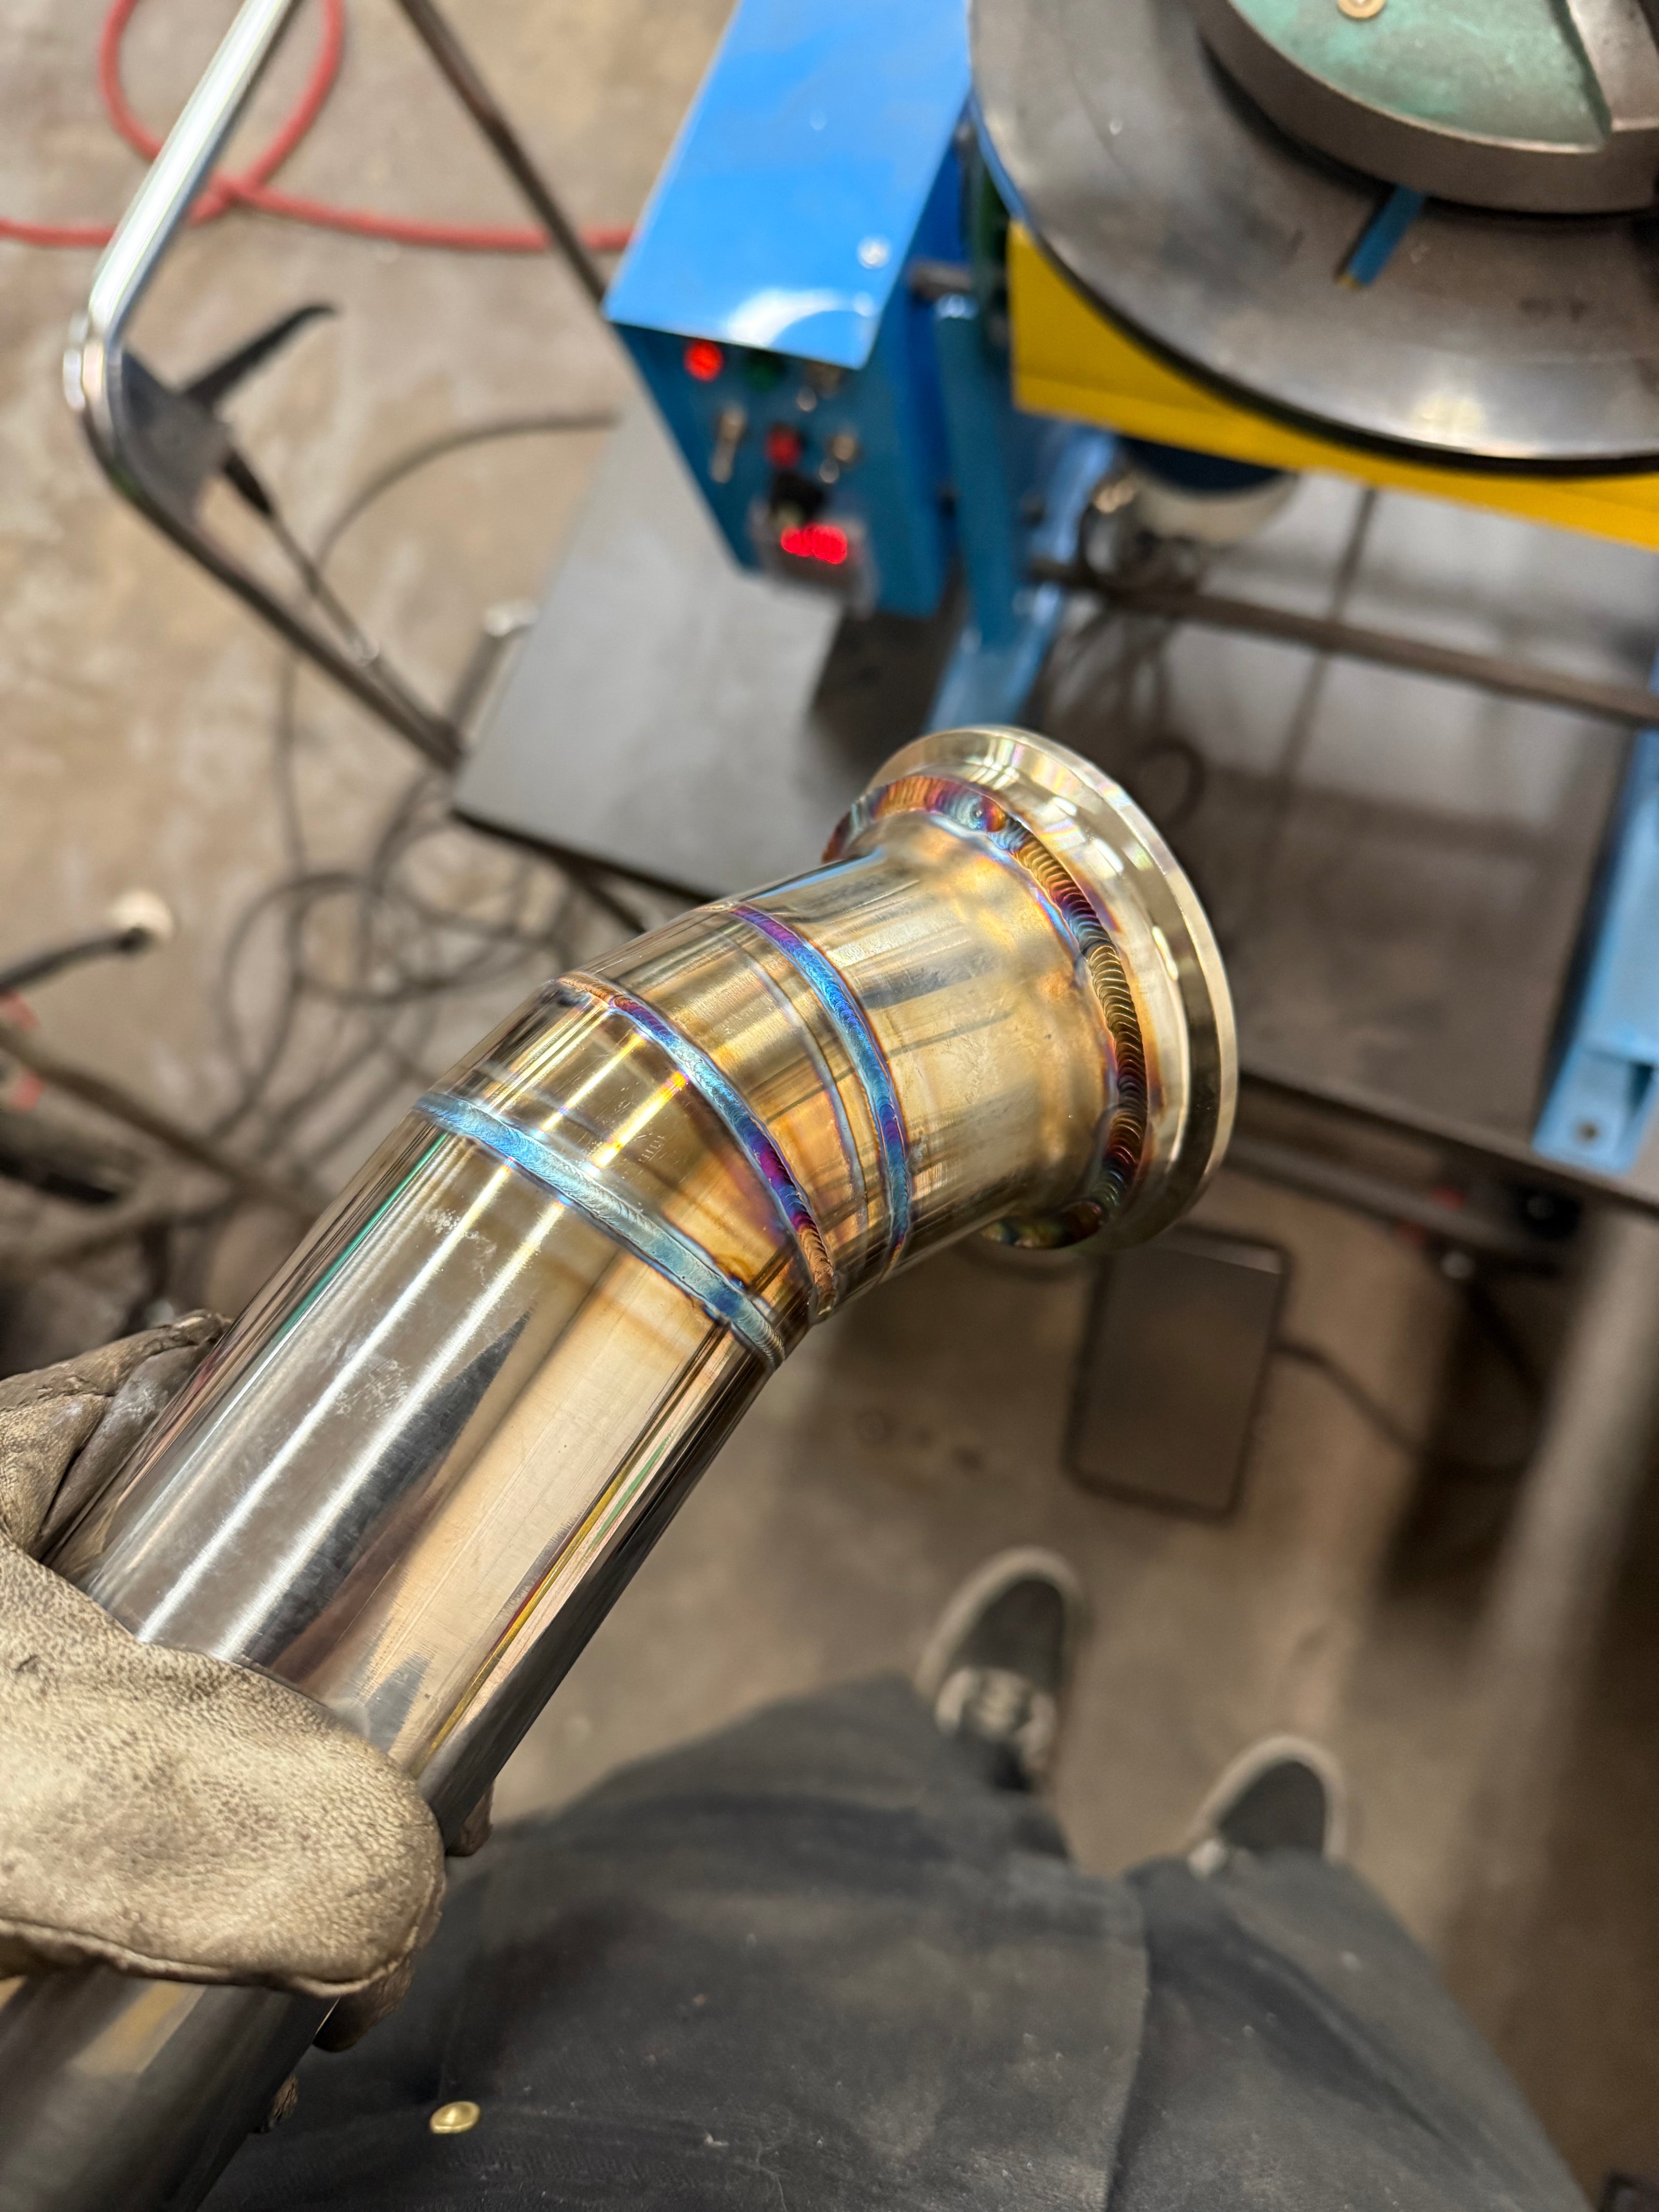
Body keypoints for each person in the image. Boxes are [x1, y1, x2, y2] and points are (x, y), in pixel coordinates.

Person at [0, 1325, 1592, 2211]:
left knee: (797, 1815)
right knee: (1302, 1991)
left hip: (495, 2118)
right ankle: (1247, 1893)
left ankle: (964, 1770)